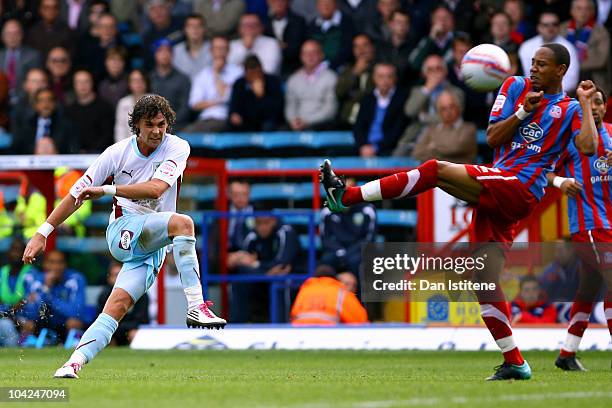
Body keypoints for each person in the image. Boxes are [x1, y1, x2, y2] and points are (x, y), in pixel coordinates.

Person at [320, 43, 599, 381]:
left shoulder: (569, 109)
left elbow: (588, 147)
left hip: (522, 187)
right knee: (483, 280)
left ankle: (346, 196)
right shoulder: (513, 87)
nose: (534, 68)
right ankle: (515, 362)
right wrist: (523, 112)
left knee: (435, 169)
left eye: (542, 65)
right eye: (533, 62)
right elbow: (494, 137)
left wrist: (585, 104)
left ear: (561, 70)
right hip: (499, 181)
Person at [22, 94, 226, 379]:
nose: (156, 131)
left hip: (153, 246)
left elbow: (156, 189)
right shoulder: (116, 153)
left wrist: (107, 190)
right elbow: (75, 194)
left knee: (116, 307)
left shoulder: (177, 147)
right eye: (149, 125)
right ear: (136, 127)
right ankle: (196, 306)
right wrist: (42, 233)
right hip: (123, 232)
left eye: (161, 124)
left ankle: (72, 363)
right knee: (183, 223)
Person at [546, 85, 612, 371]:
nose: (594, 107)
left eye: (598, 102)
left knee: (589, 288)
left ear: (605, 107)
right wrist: (560, 181)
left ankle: (567, 354)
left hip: (609, 224)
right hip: (590, 224)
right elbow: (540, 170)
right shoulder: (569, 139)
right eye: (588, 103)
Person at [231, 208, 300, 322]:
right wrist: (264, 269)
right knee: (240, 278)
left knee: (280, 280)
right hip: (265, 276)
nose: (262, 227)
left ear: (273, 221)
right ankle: (238, 325)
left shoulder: (285, 232)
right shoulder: (253, 235)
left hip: (290, 275)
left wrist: (257, 264)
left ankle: (280, 326)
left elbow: (282, 264)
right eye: (258, 223)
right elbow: (245, 260)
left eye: (266, 223)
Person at [20, 250, 86, 343]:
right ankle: (27, 348)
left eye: (60, 262)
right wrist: (46, 287)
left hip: (64, 321)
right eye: (52, 262)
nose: (56, 267)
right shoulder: (36, 279)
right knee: (28, 323)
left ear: (65, 265)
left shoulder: (75, 279)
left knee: (74, 322)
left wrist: (49, 297)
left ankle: (74, 348)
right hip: (42, 322)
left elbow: (76, 312)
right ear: (45, 264)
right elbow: (30, 313)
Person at [185, 35, 242, 133]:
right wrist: (218, 101)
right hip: (205, 119)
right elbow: (194, 104)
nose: (219, 51)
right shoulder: (202, 75)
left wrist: (217, 74)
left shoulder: (238, 73)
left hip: (226, 118)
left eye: (223, 48)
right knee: (181, 137)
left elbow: (228, 98)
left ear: (228, 51)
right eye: (216, 48)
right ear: (211, 51)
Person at [353, 62, 408, 157]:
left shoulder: (402, 99)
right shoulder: (367, 99)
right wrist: (363, 146)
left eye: (389, 76)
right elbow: (359, 127)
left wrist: (376, 148)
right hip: (365, 148)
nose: (385, 80)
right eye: (381, 76)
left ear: (395, 78)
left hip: (388, 149)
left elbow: (398, 130)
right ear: (374, 78)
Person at [518, 12, 580, 94]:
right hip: (529, 93)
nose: (550, 28)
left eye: (554, 24)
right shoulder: (526, 47)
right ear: (538, 27)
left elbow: (571, 80)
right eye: (546, 25)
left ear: (559, 27)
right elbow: (524, 74)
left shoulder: (568, 48)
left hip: (559, 96)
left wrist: (550, 93)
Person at [409, 90, 477, 163]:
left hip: (461, 172)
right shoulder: (432, 129)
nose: (448, 111)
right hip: (437, 173)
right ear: (438, 112)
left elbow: (454, 149)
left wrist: (433, 147)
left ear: (459, 108)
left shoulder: (469, 128)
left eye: (451, 107)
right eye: (443, 109)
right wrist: (445, 150)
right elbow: (417, 153)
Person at [285, 40, 338, 131]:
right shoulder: (293, 79)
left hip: (321, 124)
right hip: (297, 124)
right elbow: (290, 105)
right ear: (301, 57)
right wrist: (293, 121)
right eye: (306, 53)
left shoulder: (331, 77)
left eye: (314, 52)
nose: (309, 56)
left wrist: (308, 122)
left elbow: (330, 110)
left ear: (321, 55)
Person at [560, 0, 611, 94]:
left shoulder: (601, 32)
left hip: (593, 79)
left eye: (587, 9)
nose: (583, 12)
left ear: (593, 12)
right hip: (566, 79)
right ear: (572, 11)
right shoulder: (562, 29)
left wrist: (573, 66)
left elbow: (600, 60)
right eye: (579, 8)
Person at [290, 265, 368, 325]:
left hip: (301, 334)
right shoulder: (340, 292)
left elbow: (293, 315)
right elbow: (361, 320)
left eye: (354, 285)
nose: (351, 287)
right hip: (329, 335)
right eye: (347, 284)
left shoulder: (304, 291)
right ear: (335, 279)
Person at [320, 198, 376, 277]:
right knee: (326, 261)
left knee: (355, 261)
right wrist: (339, 250)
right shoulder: (328, 210)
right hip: (336, 250)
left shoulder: (367, 210)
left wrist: (349, 252)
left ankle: (358, 289)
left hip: (357, 250)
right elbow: (325, 238)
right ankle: (327, 288)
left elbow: (369, 238)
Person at [97, 261, 149, 345]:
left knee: (134, 334)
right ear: (109, 278)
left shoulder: (141, 294)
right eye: (115, 275)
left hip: (131, 330)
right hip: (113, 331)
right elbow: (99, 319)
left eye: (120, 275)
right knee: (104, 335)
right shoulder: (104, 295)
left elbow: (142, 320)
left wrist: (123, 328)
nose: (118, 279)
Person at [12, 87, 77, 154]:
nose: (46, 104)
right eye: (41, 100)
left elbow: (72, 149)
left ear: (54, 104)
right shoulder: (25, 125)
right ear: (35, 105)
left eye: (49, 100)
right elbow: (17, 149)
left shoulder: (65, 126)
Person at [228, 55, 284, 132]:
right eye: (251, 73)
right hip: (246, 120)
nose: (255, 76)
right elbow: (234, 106)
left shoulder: (272, 81)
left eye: (257, 72)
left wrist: (260, 96)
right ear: (245, 72)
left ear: (261, 69)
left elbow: (277, 109)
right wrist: (234, 114)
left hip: (267, 120)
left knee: (269, 126)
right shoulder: (239, 84)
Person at [66, 70, 114, 153]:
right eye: (79, 82)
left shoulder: (104, 107)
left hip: (100, 154)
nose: (83, 85)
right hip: (75, 155)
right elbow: (69, 137)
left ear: (92, 83)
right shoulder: (70, 110)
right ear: (74, 85)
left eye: (86, 82)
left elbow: (107, 136)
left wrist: (90, 151)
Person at [335, 34, 376, 129]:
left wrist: (354, 95)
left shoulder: (379, 70)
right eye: (356, 46)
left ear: (372, 47)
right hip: (346, 120)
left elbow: (370, 96)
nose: (361, 50)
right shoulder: (347, 70)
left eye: (365, 45)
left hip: (369, 120)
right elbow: (339, 92)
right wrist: (355, 73)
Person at [149, 39, 191, 129]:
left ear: (172, 54)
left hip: (177, 126)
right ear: (155, 54)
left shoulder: (183, 79)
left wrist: (166, 122)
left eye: (168, 50)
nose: (165, 54)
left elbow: (185, 109)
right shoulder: (148, 79)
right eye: (160, 51)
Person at [0, 19, 42, 104]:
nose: (12, 37)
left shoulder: (33, 56)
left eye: (16, 33)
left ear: (21, 35)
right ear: (3, 37)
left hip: (25, 102)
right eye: (9, 34)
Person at [263, 0, 308, 78]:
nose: (278, 3)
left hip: (293, 69)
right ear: (268, 2)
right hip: (270, 70)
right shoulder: (264, 23)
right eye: (274, 1)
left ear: (288, 2)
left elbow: (294, 49)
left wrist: (274, 46)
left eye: (282, 0)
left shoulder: (298, 21)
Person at [306, 0, 355, 71]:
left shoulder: (347, 24)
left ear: (336, 4)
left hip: (341, 68)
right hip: (315, 69)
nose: (325, 6)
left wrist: (328, 66)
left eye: (328, 3)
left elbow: (346, 52)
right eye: (321, 4)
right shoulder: (312, 26)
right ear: (317, 6)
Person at [172, 13, 212, 80]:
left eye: (199, 26)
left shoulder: (214, 49)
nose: (195, 29)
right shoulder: (176, 51)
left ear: (204, 29)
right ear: (185, 30)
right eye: (190, 26)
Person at [115, 69, 149, 142]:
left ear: (146, 82)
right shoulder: (123, 103)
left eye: (140, 80)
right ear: (129, 84)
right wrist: (122, 148)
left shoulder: (155, 100)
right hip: (127, 146)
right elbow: (120, 128)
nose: (138, 83)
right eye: (134, 80)